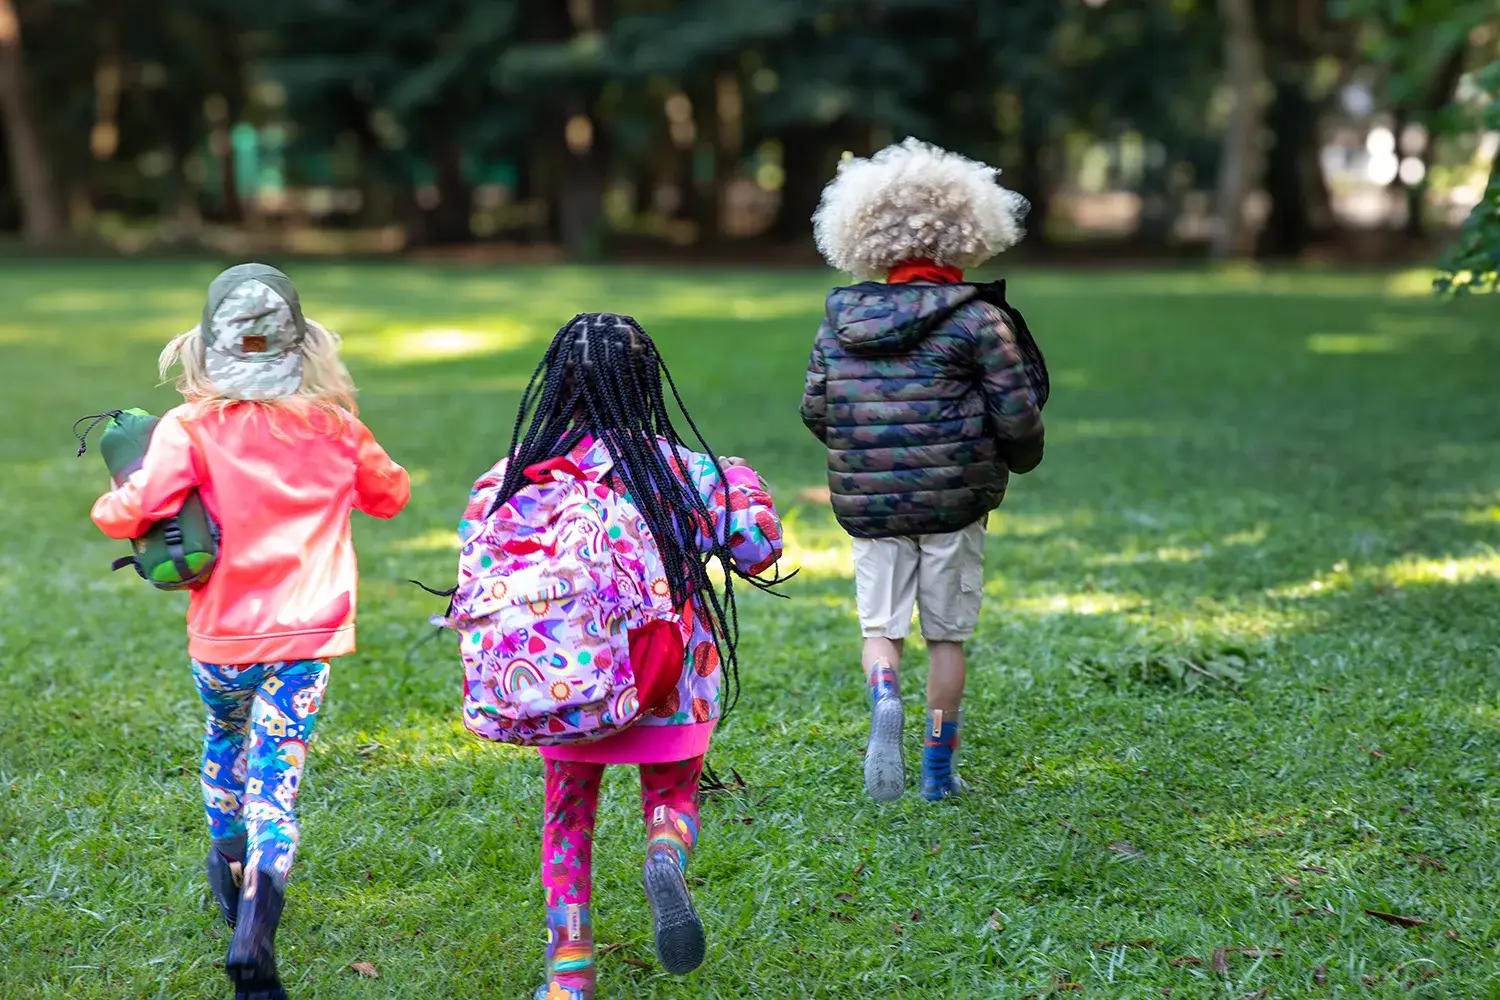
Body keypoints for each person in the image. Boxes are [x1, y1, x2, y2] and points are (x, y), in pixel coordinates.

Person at [89, 263, 410, 1000]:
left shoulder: (189, 427)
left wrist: (110, 505)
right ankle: (258, 919)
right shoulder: (335, 427)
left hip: (222, 639)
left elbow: (132, 511)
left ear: (208, 349)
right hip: (307, 642)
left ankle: (227, 859)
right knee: (277, 778)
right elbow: (390, 495)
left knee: (224, 737)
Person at [458, 313, 784, 1000]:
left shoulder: (515, 478)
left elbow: (478, 554)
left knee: (567, 820)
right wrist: (743, 484)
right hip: (671, 680)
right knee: (671, 794)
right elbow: (758, 548)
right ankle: (664, 851)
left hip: (564, 682)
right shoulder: (683, 470)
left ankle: (569, 971)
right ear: (645, 385)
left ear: (558, 386)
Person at [799, 138, 1046, 803]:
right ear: (970, 230)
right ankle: (938, 766)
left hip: (869, 504)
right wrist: (1019, 460)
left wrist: (864, 450)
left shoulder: (841, 319)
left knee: (882, 631)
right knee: (945, 638)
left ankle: (885, 693)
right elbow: (1017, 414)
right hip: (953, 502)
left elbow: (815, 409)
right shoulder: (980, 319)